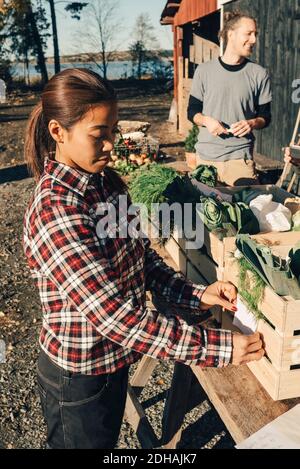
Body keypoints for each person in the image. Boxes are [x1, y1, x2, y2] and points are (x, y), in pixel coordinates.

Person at [23, 68, 264, 449]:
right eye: (98, 136)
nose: (110, 147)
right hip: (79, 375)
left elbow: (142, 261)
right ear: (58, 132)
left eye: (113, 132)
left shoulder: (103, 182)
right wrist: (218, 347)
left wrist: (196, 294)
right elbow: (113, 316)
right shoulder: (57, 210)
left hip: (112, 362)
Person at [188, 11, 272, 186]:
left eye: (255, 34)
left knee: (246, 212)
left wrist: (252, 123)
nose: (254, 40)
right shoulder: (204, 71)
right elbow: (192, 112)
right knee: (205, 212)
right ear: (231, 34)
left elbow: (266, 117)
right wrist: (206, 121)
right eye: (248, 33)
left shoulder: (259, 74)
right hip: (205, 159)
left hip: (240, 160)